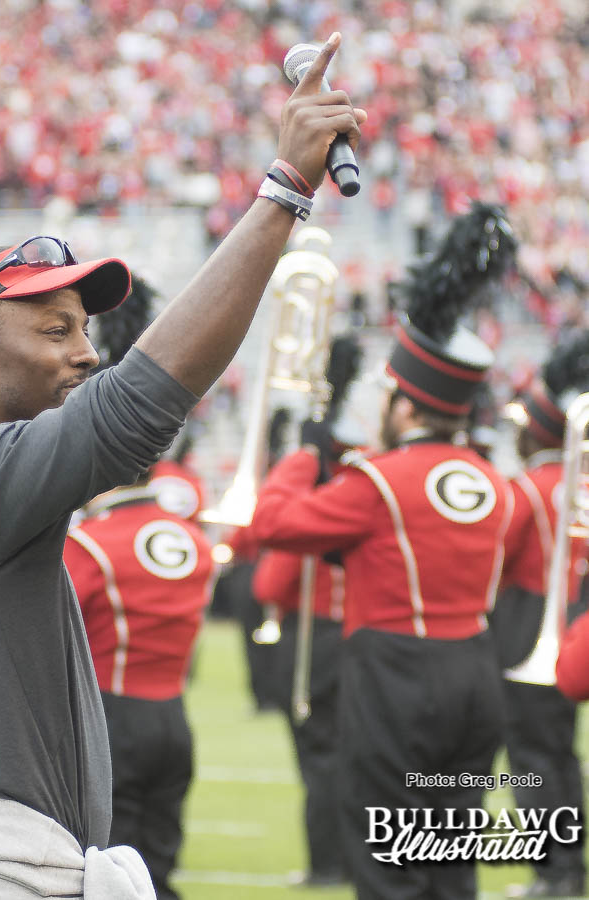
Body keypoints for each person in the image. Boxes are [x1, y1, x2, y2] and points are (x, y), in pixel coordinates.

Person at [0, 33, 365, 900]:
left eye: (86, 330)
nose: (86, 354)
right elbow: (131, 412)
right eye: (55, 329)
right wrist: (285, 192)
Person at [251, 203, 518, 900]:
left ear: (405, 404)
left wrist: (305, 455)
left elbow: (274, 525)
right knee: (453, 860)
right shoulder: (499, 484)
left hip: (396, 673)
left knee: (387, 861)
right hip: (477, 666)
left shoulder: (377, 480)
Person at [63, 472, 213, 900]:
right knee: (158, 866)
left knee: (107, 869)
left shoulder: (91, 541)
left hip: (109, 717)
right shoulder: (191, 536)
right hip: (173, 713)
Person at [250, 333, 365, 888]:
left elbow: (271, 578)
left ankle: (327, 863)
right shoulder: (364, 487)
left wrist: (301, 465)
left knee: (319, 757)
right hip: (362, 638)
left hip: (315, 639)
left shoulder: (322, 498)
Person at [492, 331, 589, 899]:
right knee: (559, 751)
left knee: (531, 753)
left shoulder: (527, 487)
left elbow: (496, 560)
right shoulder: (578, 486)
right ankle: (568, 868)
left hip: (528, 621)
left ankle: (554, 872)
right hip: (575, 617)